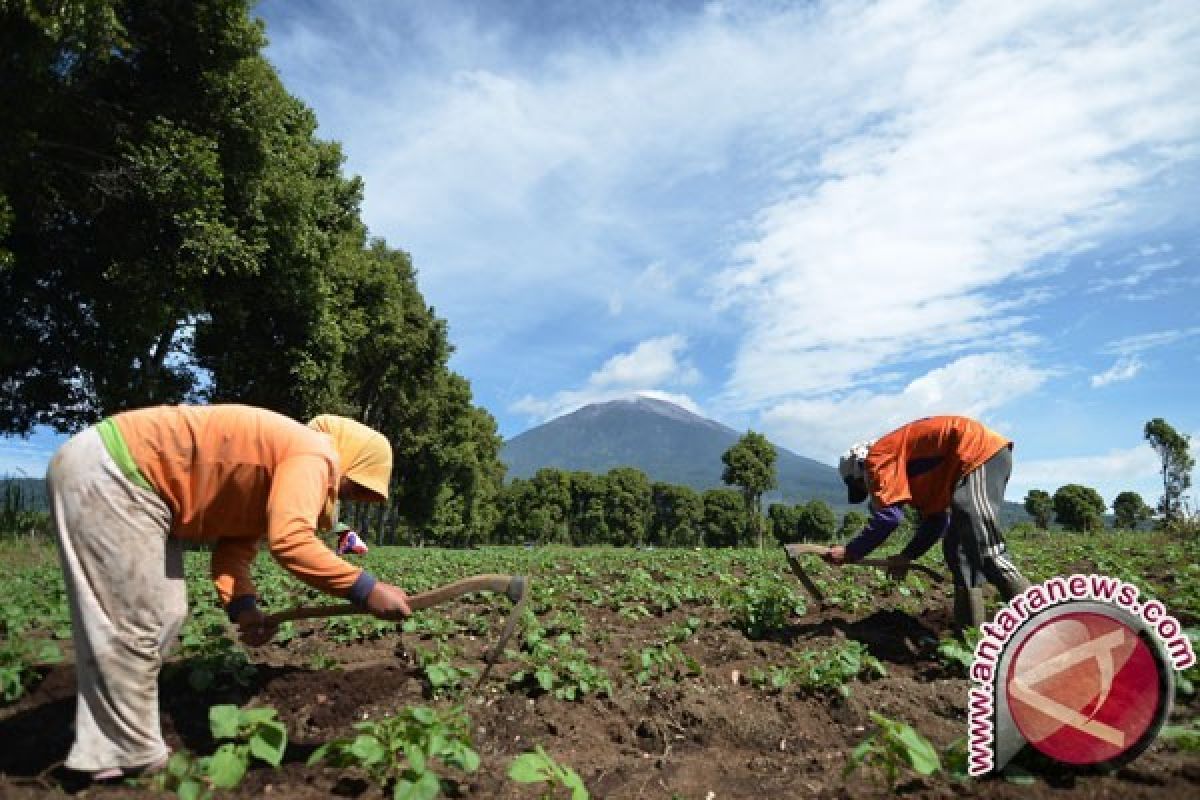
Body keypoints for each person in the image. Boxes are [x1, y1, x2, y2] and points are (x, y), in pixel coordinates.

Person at [45, 404, 413, 782]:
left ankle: (113, 743)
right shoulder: (315, 452)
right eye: (353, 487)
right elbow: (292, 542)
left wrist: (244, 608)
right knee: (140, 617)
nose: (345, 497)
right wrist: (366, 589)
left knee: (164, 612)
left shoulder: (281, 466)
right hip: (117, 472)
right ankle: (126, 752)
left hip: (130, 482)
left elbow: (232, 553)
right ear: (350, 460)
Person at [826, 415, 1032, 630]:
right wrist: (907, 555)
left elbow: (889, 518)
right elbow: (936, 522)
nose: (872, 491)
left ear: (861, 469)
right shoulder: (915, 477)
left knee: (982, 542)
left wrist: (851, 551)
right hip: (963, 465)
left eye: (863, 485)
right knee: (957, 551)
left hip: (978, 453)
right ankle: (971, 637)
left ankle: (1045, 621)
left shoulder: (877, 457)